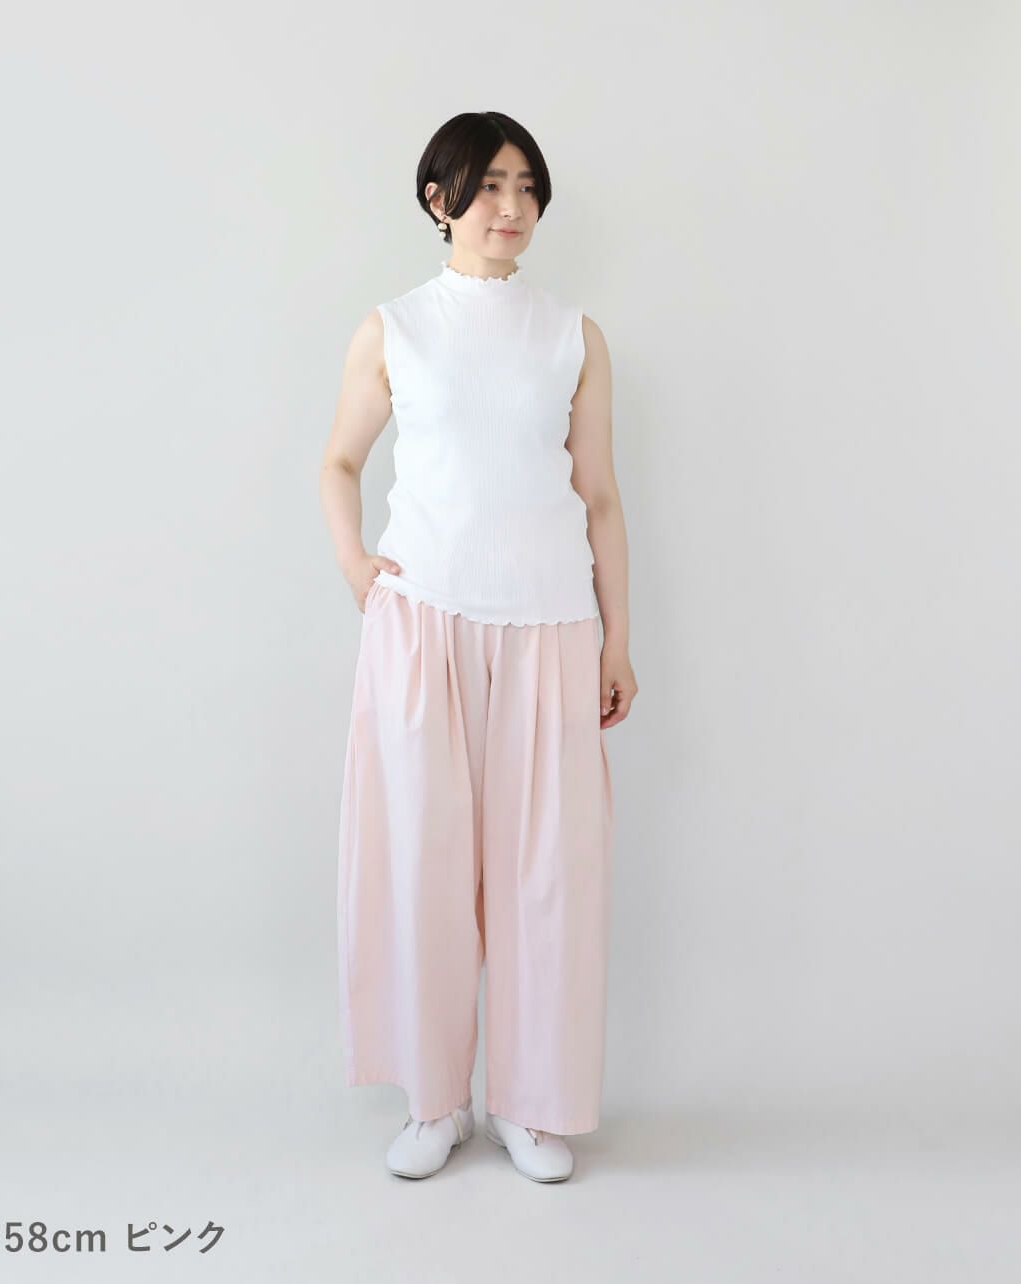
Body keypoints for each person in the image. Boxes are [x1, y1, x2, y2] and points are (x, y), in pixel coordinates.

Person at [319, 110, 637, 1182]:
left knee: (547, 876)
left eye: (527, 187)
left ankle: (531, 1106)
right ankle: (434, 1100)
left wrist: (618, 640)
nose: (512, 207)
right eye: (491, 185)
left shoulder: (573, 335)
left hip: (550, 626)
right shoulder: (394, 328)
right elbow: (338, 462)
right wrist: (357, 566)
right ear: (439, 198)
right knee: (426, 865)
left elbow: (600, 496)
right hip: (424, 625)